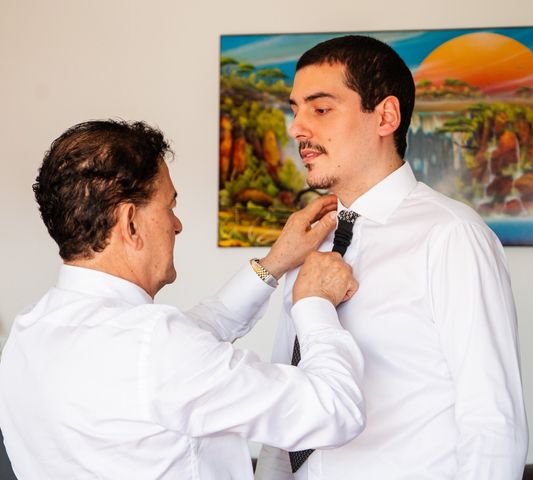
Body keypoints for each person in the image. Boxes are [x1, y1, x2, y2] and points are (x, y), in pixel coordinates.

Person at [0, 120, 366, 480]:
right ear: (130, 223)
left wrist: (272, 264)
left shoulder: (27, 335)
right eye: (168, 206)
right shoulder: (156, 347)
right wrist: (314, 302)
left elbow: (196, 336)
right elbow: (336, 410)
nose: (177, 225)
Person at [255, 35, 528, 480]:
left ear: (385, 116)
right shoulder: (313, 240)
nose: (296, 128)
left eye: (319, 109)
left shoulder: (452, 236)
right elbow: (293, 389)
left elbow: (493, 420)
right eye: (294, 109)